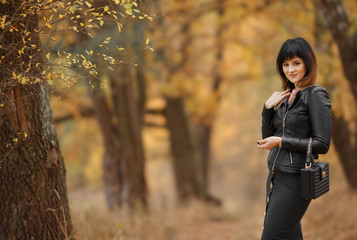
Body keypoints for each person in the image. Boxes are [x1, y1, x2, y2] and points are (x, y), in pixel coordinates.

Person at [257, 37, 332, 239]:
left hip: (297, 180)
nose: (290, 70)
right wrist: (267, 109)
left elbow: (322, 144)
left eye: (296, 63)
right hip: (275, 175)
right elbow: (268, 139)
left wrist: (281, 141)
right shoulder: (287, 95)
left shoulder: (316, 95)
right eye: (285, 64)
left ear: (308, 63)